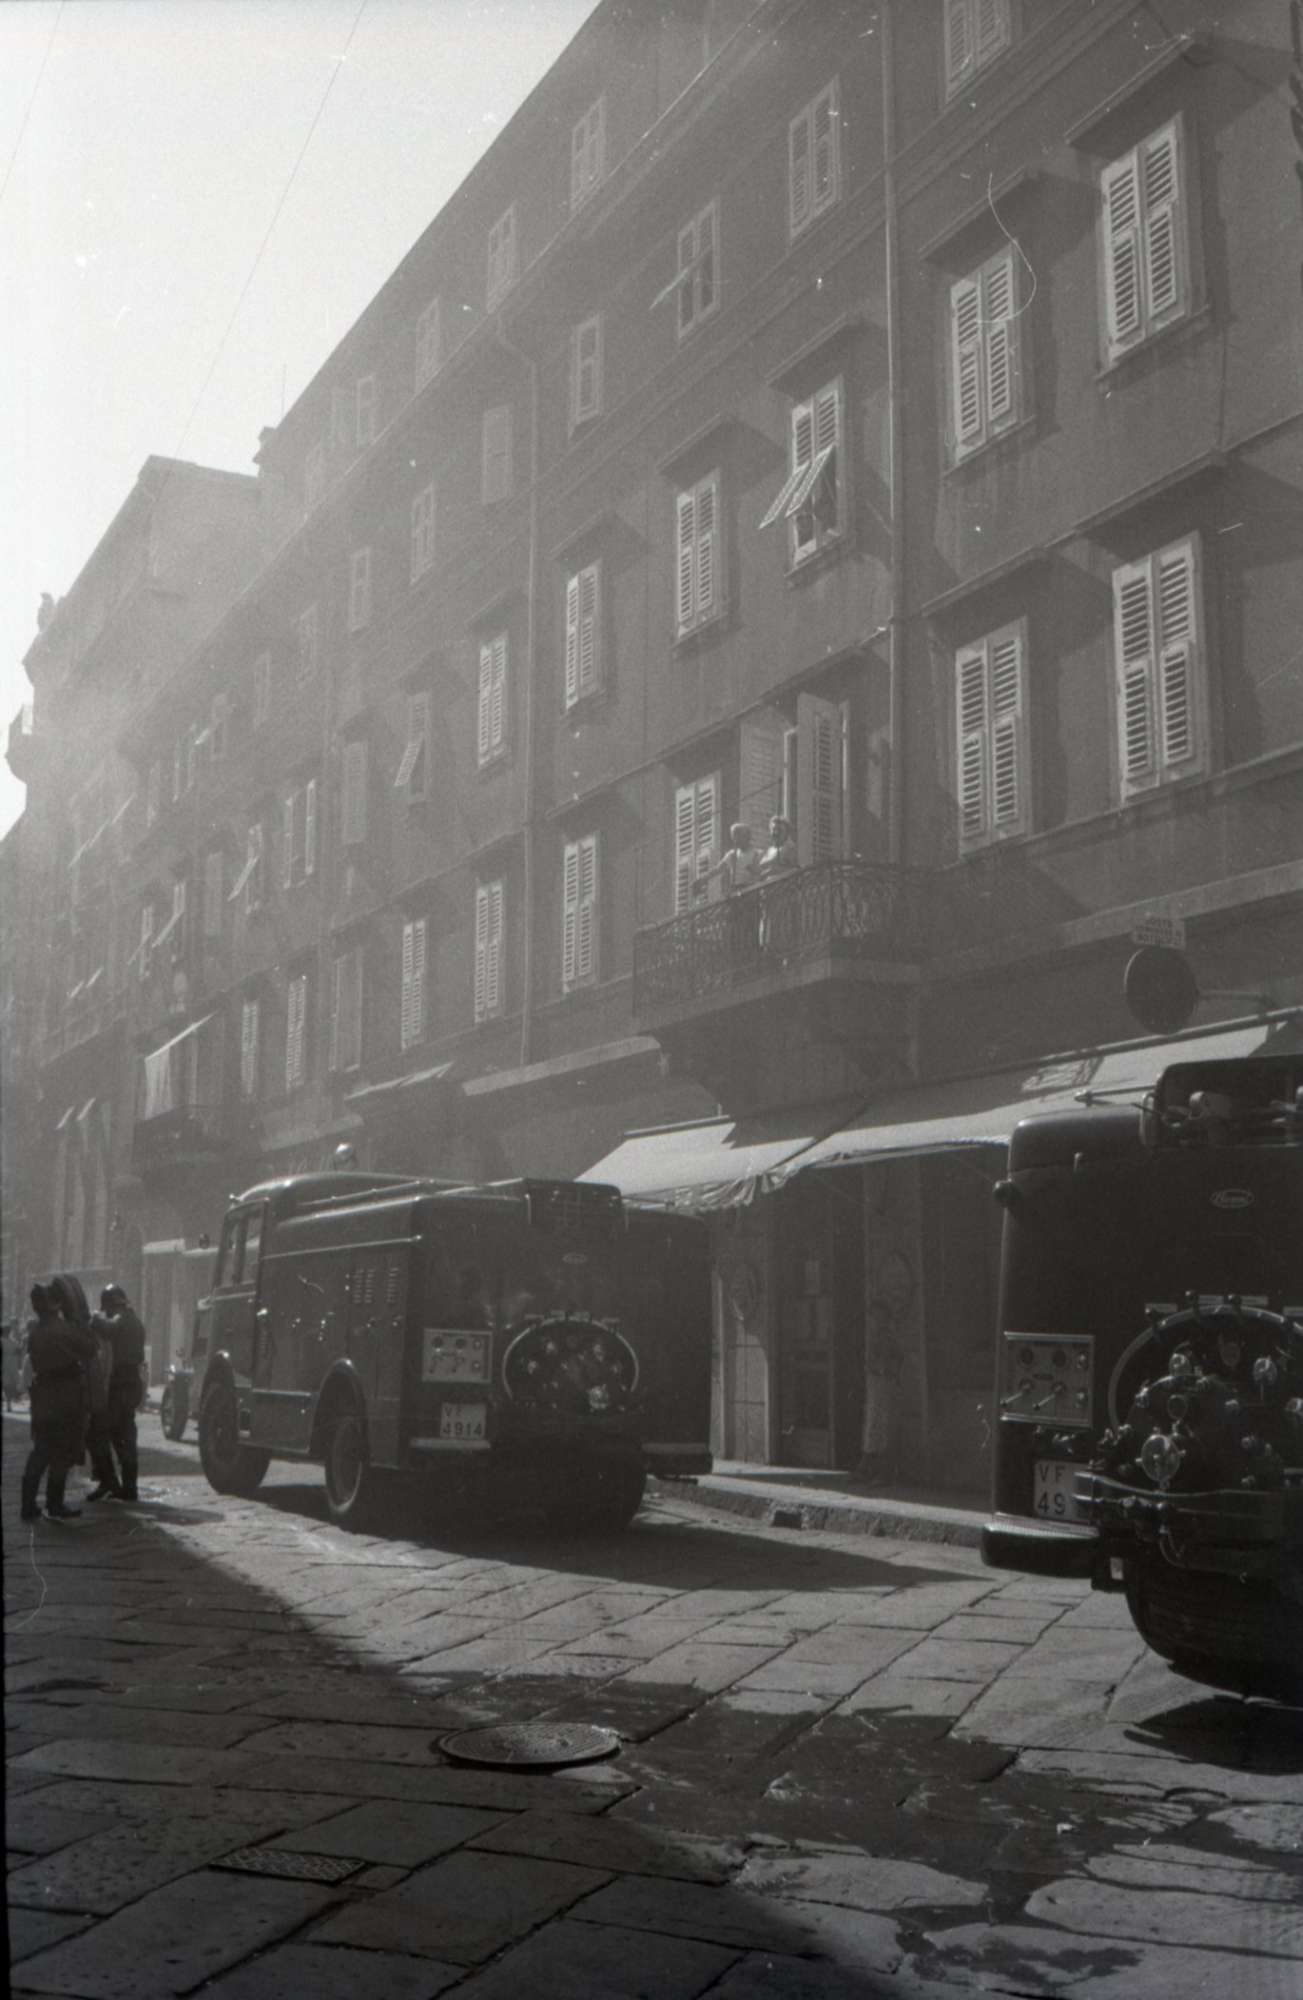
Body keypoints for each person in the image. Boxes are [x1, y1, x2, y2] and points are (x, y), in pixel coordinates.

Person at [19, 1280, 99, 1521]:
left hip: (43, 1395)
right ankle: (54, 1504)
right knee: (62, 1453)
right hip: (66, 1396)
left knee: (40, 1452)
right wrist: (81, 1322)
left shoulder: (35, 1332)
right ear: (54, 1304)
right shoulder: (64, 1329)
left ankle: (27, 1505)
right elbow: (91, 1348)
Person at [87, 1284, 147, 1503]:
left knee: (97, 1433)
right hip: (130, 1383)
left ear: (113, 1304)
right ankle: (128, 1487)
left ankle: (109, 1481)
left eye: (108, 1308)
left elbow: (109, 1328)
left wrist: (94, 1318)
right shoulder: (135, 1321)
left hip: (121, 1384)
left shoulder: (122, 1319)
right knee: (124, 1433)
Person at [2, 1323, 23, 1410]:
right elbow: (19, 1351)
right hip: (10, 1363)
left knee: (8, 1383)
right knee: (9, 1383)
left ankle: (9, 1403)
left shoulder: (12, 1341)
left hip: (7, 1363)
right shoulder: (12, 1341)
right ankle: (9, 1403)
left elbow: (19, 1350)